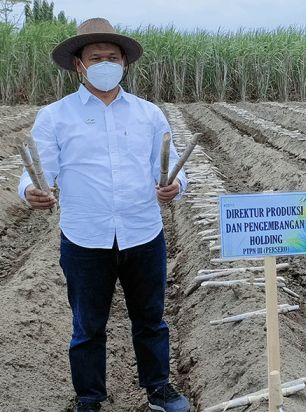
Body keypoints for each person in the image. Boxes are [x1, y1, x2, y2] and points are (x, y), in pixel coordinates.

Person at [18, 18, 190, 411]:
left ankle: (158, 387)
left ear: (124, 63)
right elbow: (35, 173)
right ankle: (90, 397)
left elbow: (175, 167)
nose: (105, 63)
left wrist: (176, 186)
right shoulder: (55, 116)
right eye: (96, 57)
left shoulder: (149, 114)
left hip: (143, 233)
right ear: (79, 65)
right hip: (84, 237)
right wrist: (31, 191)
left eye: (112, 57)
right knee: (87, 327)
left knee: (150, 319)